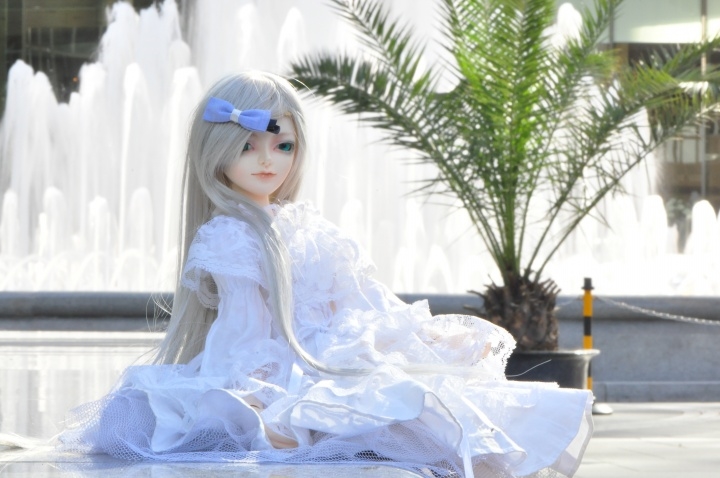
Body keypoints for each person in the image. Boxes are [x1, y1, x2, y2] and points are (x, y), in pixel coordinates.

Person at [60, 71, 593, 478]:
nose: (268, 160)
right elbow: (241, 332)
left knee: (431, 394)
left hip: (335, 348)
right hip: (288, 363)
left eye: (283, 146)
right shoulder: (230, 236)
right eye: (248, 145)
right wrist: (253, 392)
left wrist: (417, 334)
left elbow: (364, 301)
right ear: (216, 151)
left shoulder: (307, 225)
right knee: (386, 410)